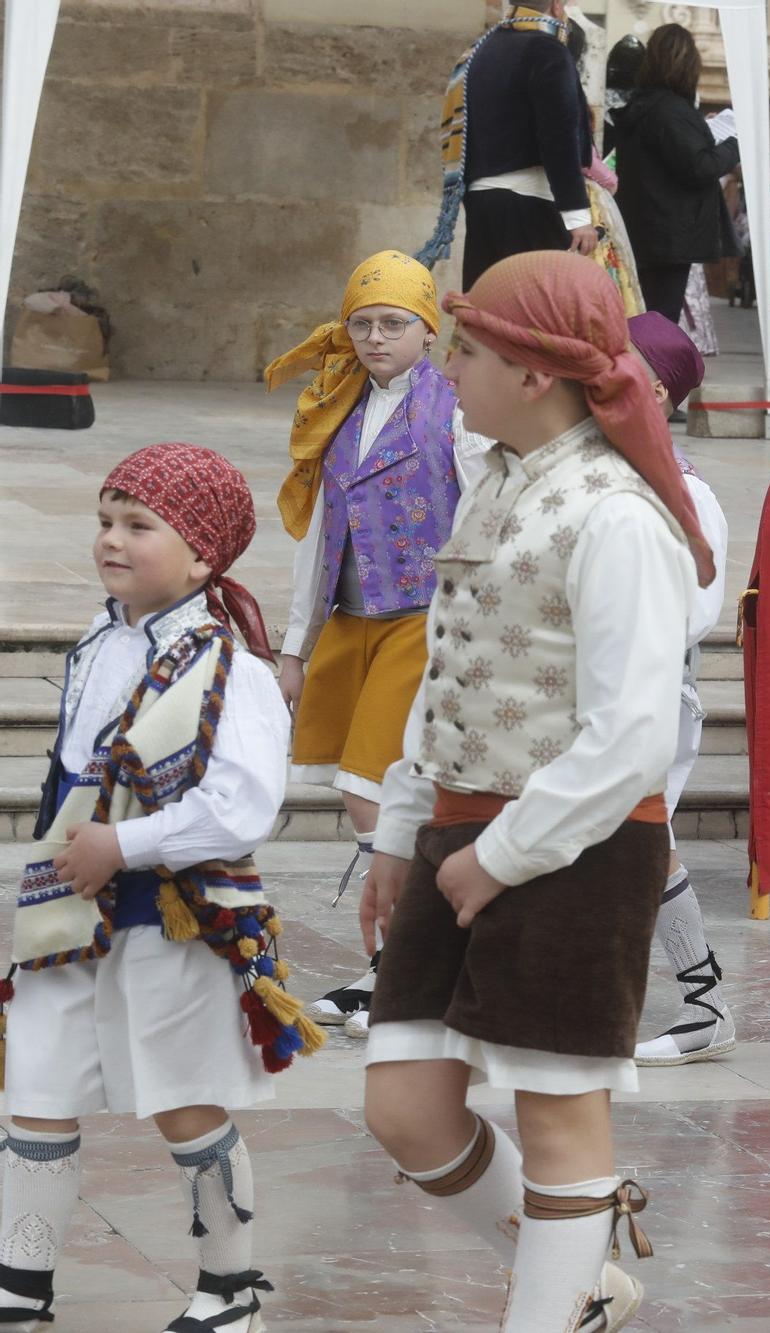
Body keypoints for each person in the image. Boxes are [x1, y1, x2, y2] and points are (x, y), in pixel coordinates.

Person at [359, 251, 715, 1332]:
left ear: (533, 370)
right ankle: (582, 1282)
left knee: (559, 1117)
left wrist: (502, 855)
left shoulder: (615, 515)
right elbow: (448, 673)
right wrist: (402, 828)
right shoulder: (498, 481)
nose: (449, 366)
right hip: (459, 833)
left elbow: (632, 733)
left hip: (575, 852)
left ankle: (551, 1309)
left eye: (466, 348)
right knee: (405, 1106)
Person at [0, 445, 323, 1328]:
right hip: (65, 911)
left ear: (204, 556)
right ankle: (20, 1278)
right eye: (106, 519)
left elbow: (243, 807)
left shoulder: (235, 669)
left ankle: (229, 1286)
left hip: (175, 918)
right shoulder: (97, 643)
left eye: (139, 525)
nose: (112, 539)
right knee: (36, 1083)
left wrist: (128, 842)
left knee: (184, 1099)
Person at [264, 251, 477, 1036]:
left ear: (428, 329)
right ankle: (403, 955)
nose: (375, 337)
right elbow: (319, 534)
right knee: (350, 783)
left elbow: (481, 504)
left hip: (422, 615)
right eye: (362, 323)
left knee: (369, 783)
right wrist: (295, 643)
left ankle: (405, 960)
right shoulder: (339, 405)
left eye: (393, 323)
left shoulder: (453, 407)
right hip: (350, 616)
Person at [626, 312, 738, 1066]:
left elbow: (694, 608)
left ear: (658, 391)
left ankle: (705, 1003)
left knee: (637, 836)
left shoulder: (688, 493)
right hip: (588, 690)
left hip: (648, 691)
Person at [413, 1, 597, 287]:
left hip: (483, 201)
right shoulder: (548, 50)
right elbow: (559, 137)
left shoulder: (480, 50)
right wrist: (577, 215)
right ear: (557, 5)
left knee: (485, 314)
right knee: (533, 321)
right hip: (530, 203)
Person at [604, 23, 741, 323]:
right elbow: (699, 167)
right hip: (671, 232)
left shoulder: (642, 106)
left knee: (643, 313)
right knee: (660, 318)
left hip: (642, 225)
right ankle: (652, 371)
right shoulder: (671, 110)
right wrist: (733, 144)